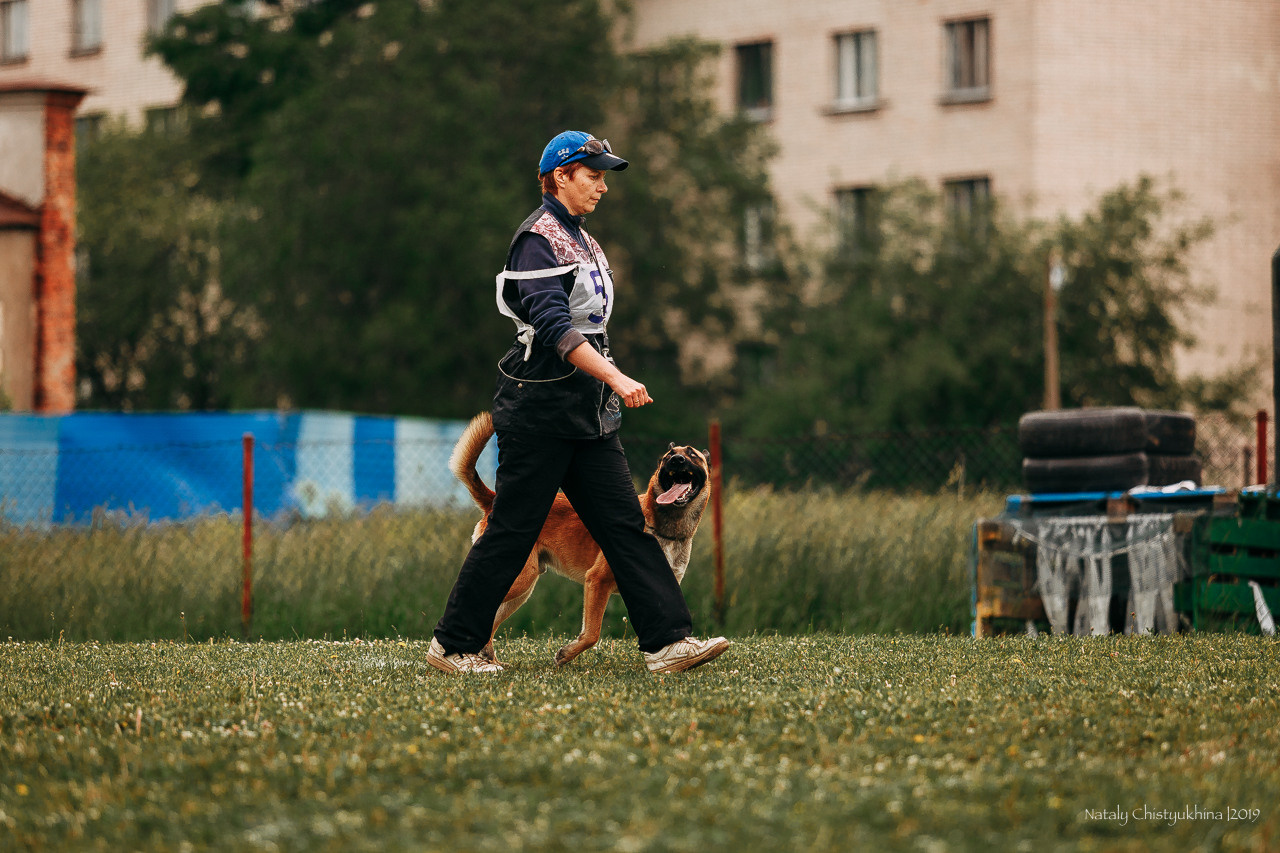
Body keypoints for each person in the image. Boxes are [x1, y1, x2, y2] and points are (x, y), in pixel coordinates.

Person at [427, 130, 730, 675]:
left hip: (587, 416)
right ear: (560, 176)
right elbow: (554, 328)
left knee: (626, 525)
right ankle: (453, 645)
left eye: (604, 177)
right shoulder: (536, 239)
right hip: (539, 411)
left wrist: (604, 386)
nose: (602, 187)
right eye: (592, 175)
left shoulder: (582, 238)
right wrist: (615, 376)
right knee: (514, 528)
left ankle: (667, 644)